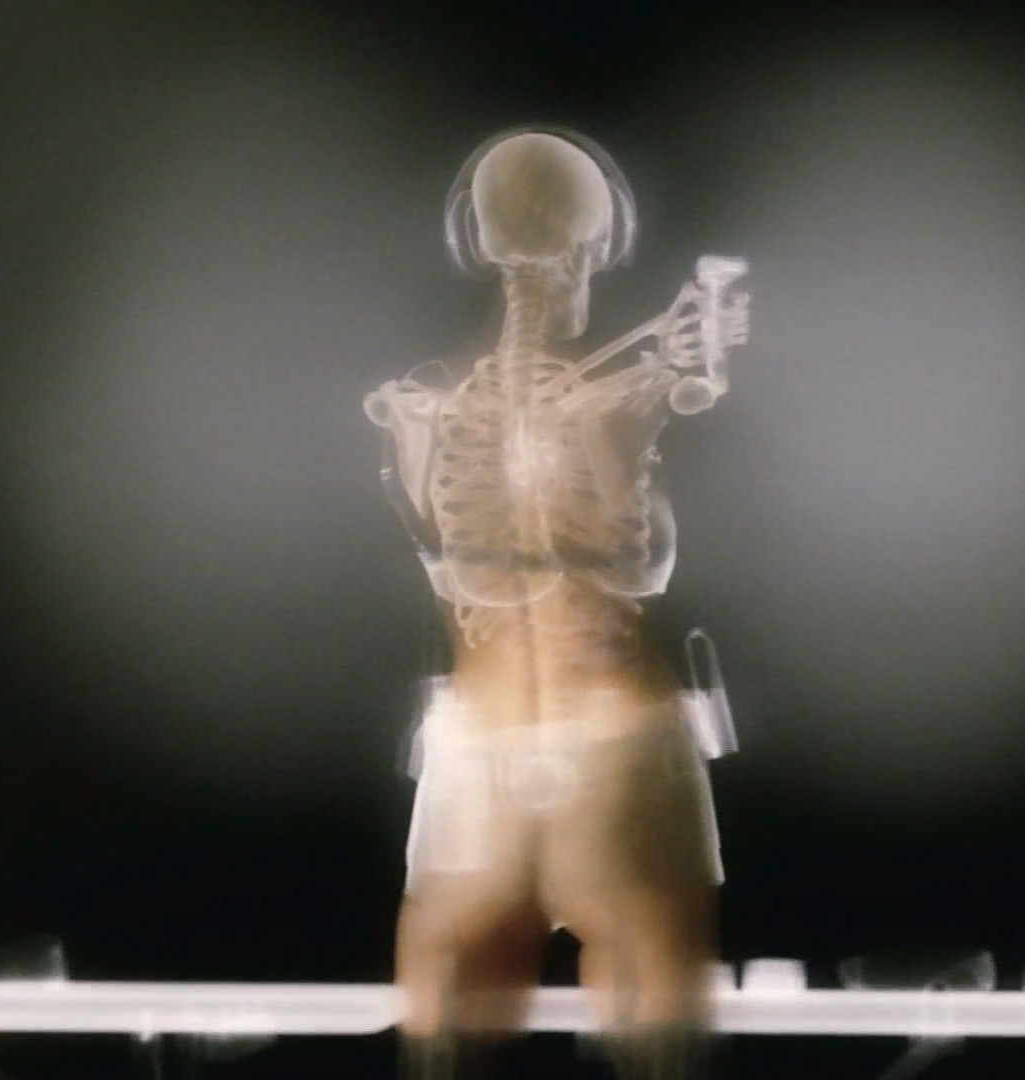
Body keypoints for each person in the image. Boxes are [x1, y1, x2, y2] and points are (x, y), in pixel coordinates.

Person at [362, 126, 748, 1079]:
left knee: (449, 1017)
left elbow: (674, 383)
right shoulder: (606, 402)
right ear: (585, 250)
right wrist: (676, 371)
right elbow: (674, 397)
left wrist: (672, 368)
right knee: (652, 1014)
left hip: (480, 736)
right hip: (616, 736)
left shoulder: (422, 411)